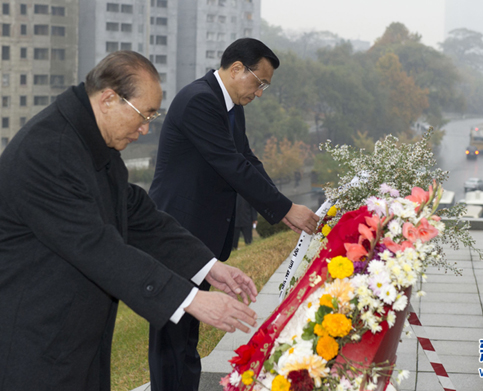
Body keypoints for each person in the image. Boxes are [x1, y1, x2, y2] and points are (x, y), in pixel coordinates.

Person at [0, 51, 259, 391]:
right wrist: (191, 299)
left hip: (74, 341)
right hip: (36, 345)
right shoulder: (51, 152)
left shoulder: (91, 139)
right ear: (108, 98)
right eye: (143, 115)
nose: (144, 129)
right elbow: (96, 246)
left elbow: (133, 210)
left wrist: (207, 266)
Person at [148, 38, 319, 391]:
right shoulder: (200, 101)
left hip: (199, 235)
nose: (260, 93)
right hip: (178, 232)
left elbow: (248, 161)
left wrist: (282, 209)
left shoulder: (227, 105)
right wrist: (285, 208)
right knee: (172, 337)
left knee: (186, 335)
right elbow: (231, 165)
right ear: (237, 68)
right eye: (260, 82)